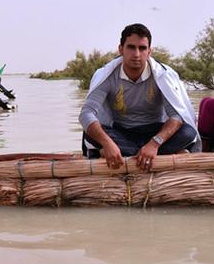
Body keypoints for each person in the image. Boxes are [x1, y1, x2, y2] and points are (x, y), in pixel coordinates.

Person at [79, 23, 199, 170]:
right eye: (131, 47)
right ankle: (154, 154)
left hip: (154, 132)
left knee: (188, 132)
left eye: (142, 48)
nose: (136, 54)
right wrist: (108, 143)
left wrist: (154, 143)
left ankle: (130, 154)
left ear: (149, 52)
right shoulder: (107, 75)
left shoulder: (162, 76)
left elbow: (176, 116)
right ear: (121, 49)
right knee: (90, 133)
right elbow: (86, 113)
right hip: (121, 132)